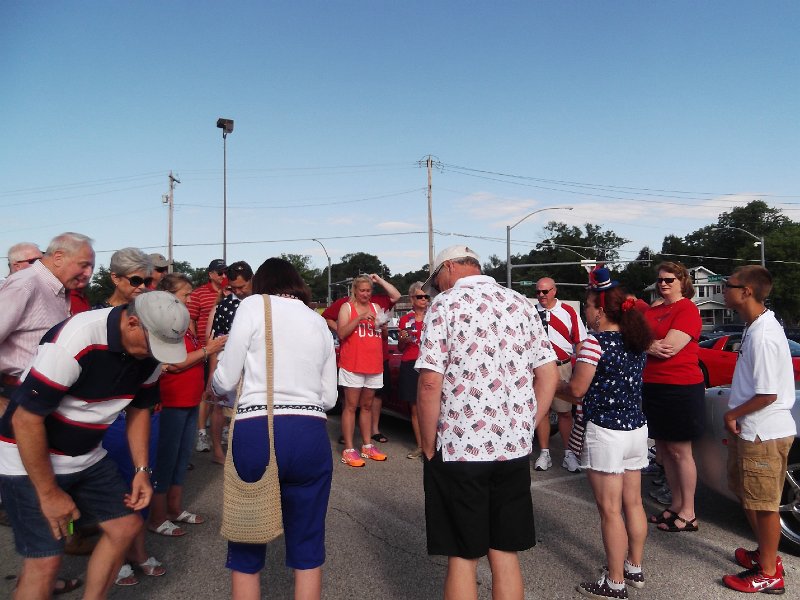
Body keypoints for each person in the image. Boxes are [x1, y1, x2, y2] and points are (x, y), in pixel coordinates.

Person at [0, 291, 189, 599]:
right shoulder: (77, 338)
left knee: (125, 527)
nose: (158, 355)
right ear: (131, 323)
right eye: (154, 346)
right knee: (45, 560)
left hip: (86, 454)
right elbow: (25, 421)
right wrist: (49, 494)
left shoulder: (150, 353)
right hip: (25, 456)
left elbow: (139, 408)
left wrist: (142, 469)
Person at [416, 245, 558, 599]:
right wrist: (527, 423)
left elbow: (430, 382)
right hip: (511, 447)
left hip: (461, 446)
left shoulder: (444, 306)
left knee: (463, 556)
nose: (436, 289)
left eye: (436, 281)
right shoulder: (521, 303)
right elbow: (549, 374)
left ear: (449, 267)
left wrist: (428, 441)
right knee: (504, 551)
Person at [211, 257, 337, 600]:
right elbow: (329, 397)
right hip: (310, 432)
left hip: (258, 430)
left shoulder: (253, 306)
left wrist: (216, 382)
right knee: (308, 543)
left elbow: (225, 379)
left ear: (261, 284)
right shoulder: (318, 321)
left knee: (247, 546)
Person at [0, 233, 94, 595]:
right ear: (57, 257)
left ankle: (42, 575)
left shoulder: (58, 291)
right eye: (83, 264)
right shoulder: (25, 285)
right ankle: (39, 575)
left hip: (43, 402)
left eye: (90, 266)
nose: (88, 273)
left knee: (48, 495)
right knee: (37, 495)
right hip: (19, 401)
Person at [558, 268, 654, 599]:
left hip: (606, 433)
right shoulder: (636, 341)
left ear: (599, 310)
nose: (585, 311)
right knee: (634, 503)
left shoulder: (593, 344)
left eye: (587, 306)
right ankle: (634, 567)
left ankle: (614, 583)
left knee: (610, 511)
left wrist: (549, 383)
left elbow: (577, 391)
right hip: (636, 429)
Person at [92, 248, 167, 586]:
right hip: (108, 421)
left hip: (143, 413)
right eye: (137, 280)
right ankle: (117, 553)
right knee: (115, 490)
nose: (143, 286)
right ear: (115, 279)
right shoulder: (96, 319)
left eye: (149, 280)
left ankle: (137, 550)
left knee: (143, 481)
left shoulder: (151, 315)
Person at [720, 266, 794, 595]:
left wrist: (733, 413)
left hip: (764, 432)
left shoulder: (764, 334)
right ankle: (766, 554)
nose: (723, 290)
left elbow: (768, 394)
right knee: (747, 494)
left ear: (746, 292)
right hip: (752, 430)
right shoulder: (755, 325)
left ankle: (769, 572)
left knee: (763, 504)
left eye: (728, 285)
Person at [148, 274, 226, 537]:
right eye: (186, 294)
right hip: (172, 401)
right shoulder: (166, 326)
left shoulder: (183, 325)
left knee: (181, 458)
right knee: (166, 460)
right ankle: (157, 517)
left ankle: (174, 509)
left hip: (189, 400)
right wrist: (208, 349)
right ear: (170, 296)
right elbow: (176, 362)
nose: (191, 299)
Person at [642, 262, 704, 533]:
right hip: (653, 386)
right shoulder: (653, 309)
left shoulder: (686, 308)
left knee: (680, 451)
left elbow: (669, 348)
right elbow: (631, 337)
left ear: (682, 281)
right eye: (660, 280)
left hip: (679, 387)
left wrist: (644, 344)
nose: (663, 284)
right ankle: (676, 505)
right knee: (664, 450)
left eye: (669, 279)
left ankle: (689, 511)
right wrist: (646, 344)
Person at [337, 274, 400, 467]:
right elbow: (341, 333)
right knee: (351, 406)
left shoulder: (376, 307)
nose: (365, 294)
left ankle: (367, 445)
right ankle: (348, 449)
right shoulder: (347, 307)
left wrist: (381, 327)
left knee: (367, 406)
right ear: (355, 290)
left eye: (368, 290)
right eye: (362, 290)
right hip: (353, 363)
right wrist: (360, 318)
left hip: (373, 364)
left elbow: (382, 333)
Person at [533, 276, 588, 473]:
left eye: (544, 292)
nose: (540, 295)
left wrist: (581, 368)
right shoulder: (532, 312)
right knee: (543, 411)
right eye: (537, 292)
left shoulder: (567, 311)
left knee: (565, 412)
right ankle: (545, 452)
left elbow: (580, 341)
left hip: (563, 365)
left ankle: (568, 453)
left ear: (554, 291)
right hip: (538, 367)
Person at [206, 261, 253, 464]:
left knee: (249, 409)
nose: (239, 291)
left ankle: (245, 450)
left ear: (252, 281)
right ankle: (218, 451)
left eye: (242, 287)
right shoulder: (225, 306)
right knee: (219, 407)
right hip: (228, 362)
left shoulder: (262, 302)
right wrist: (211, 375)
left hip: (253, 365)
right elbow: (216, 343)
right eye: (234, 288)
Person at [187, 259, 227, 453]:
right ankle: (202, 433)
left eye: (225, 272)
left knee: (225, 391)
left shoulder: (232, 292)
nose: (223, 276)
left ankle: (223, 428)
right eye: (220, 273)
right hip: (206, 350)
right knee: (206, 392)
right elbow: (190, 319)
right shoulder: (199, 293)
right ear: (211, 274)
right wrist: (197, 345)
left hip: (226, 352)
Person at [397, 281, 428, 459]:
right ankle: (420, 446)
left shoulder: (434, 316)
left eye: (426, 296)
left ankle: (433, 444)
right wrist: (403, 340)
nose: (423, 299)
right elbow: (401, 348)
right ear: (412, 299)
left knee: (433, 405)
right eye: (419, 296)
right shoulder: (405, 319)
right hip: (410, 362)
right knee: (415, 408)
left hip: (429, 363)